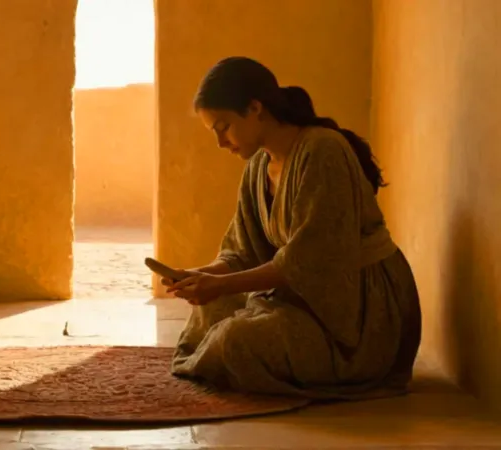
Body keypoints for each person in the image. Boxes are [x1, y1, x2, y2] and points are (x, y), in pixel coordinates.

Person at [164, 57, 422, 400]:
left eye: (223, 127)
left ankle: (346, 364)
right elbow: (243, 251)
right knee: (214, 306)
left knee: (234, 341)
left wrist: (221, 283)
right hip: (300, 297)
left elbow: (311, 260)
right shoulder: (258, 166)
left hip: (355, 314)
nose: (220, 143)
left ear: (255, 108)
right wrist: (200, 277)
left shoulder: (323, 150)